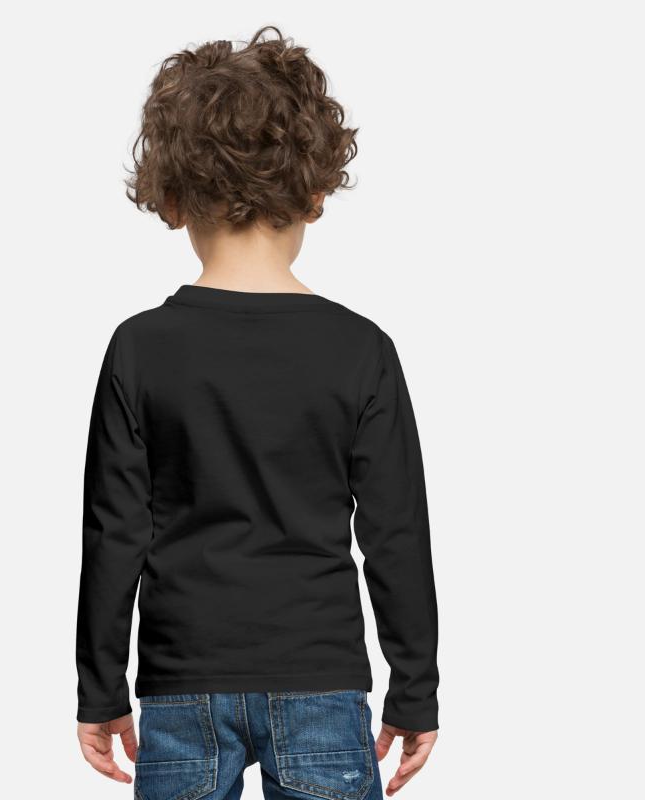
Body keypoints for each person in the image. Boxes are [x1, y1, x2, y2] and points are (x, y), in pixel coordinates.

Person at [76, 26, 439, 799]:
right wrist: (416, 689)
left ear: (173, 198)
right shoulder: (360, 350)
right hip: (321, 682)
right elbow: (396, 534)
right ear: (316, 192)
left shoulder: (140, 349)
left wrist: (100, 689)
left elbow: (114, 533)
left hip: (181, 687)